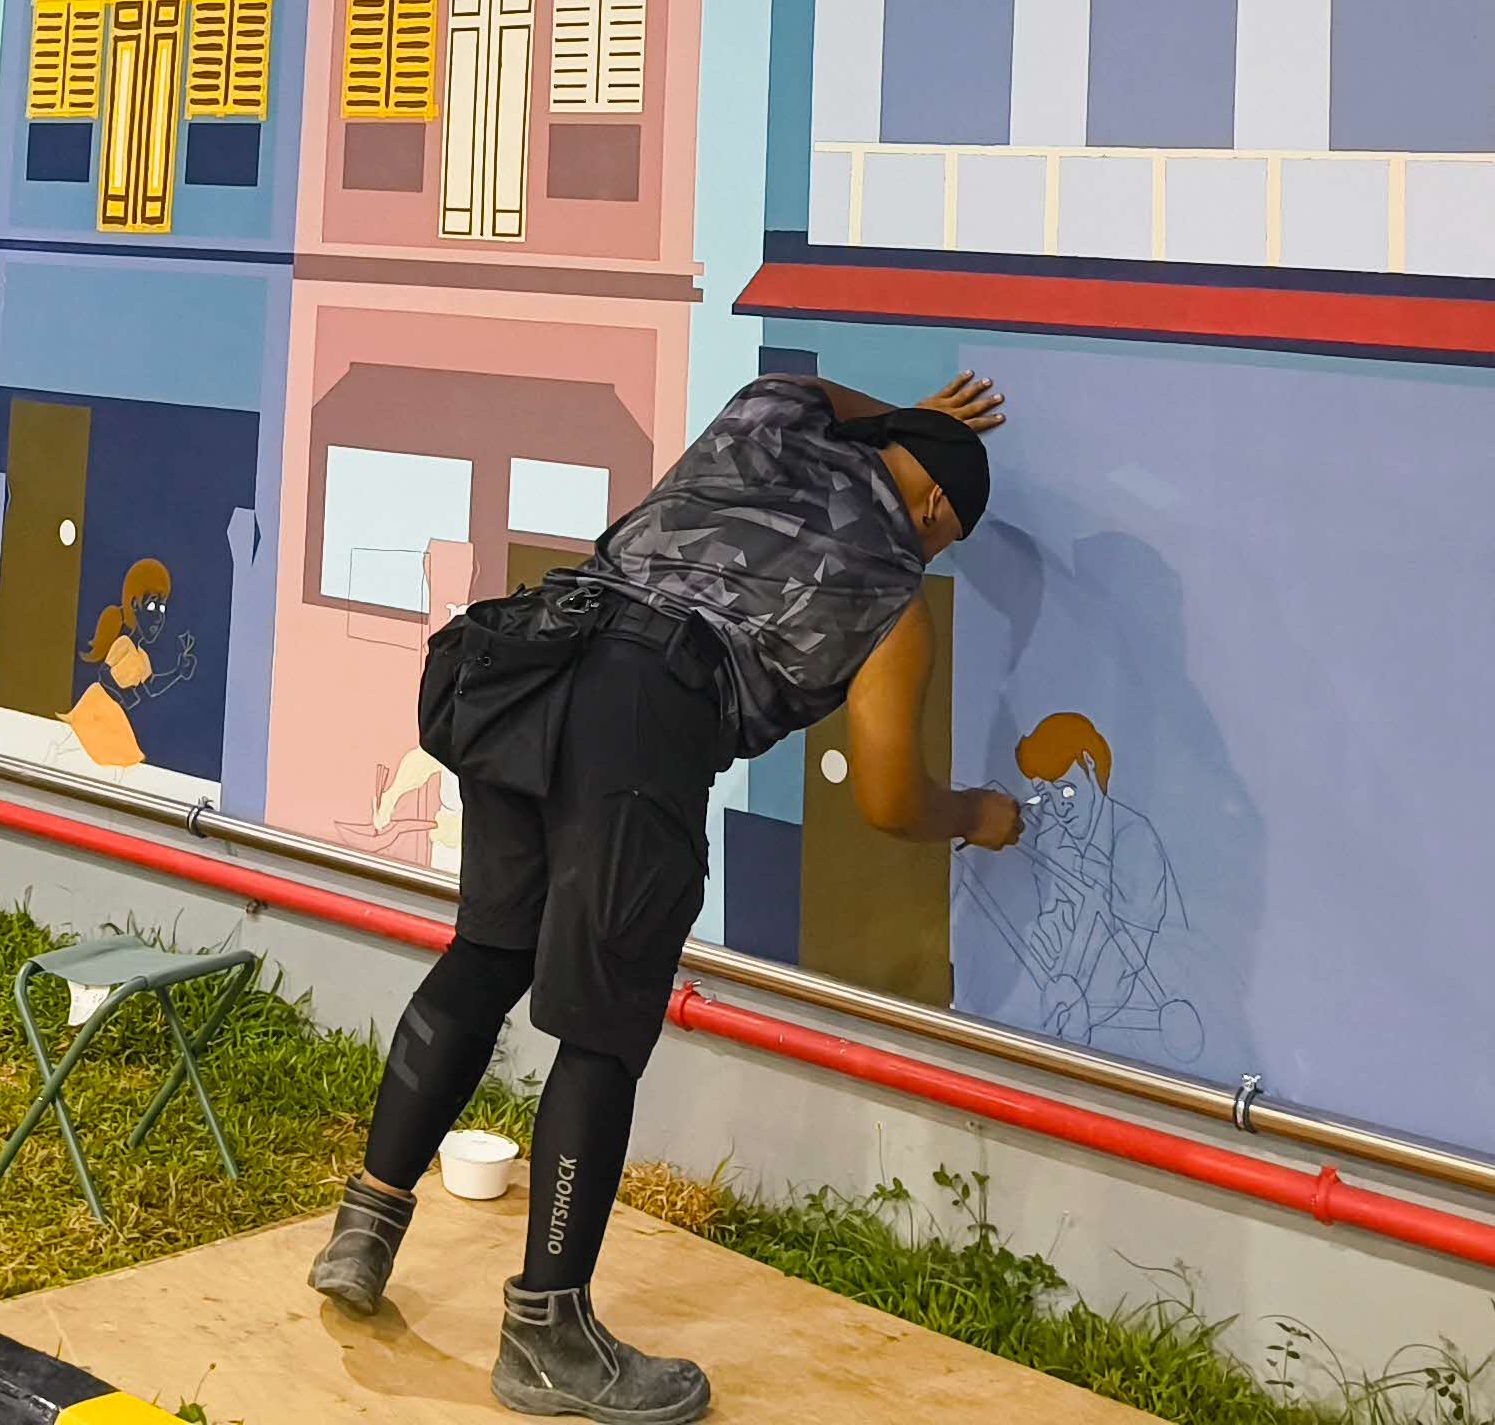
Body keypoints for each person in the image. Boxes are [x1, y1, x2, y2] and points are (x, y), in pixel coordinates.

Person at [314, 368, 1023, 1423]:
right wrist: (975, 815)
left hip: (533, 661)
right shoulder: (889, 586)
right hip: (644, 720)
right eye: (945, 538)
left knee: (490, 954)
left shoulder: (768, 423)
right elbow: (886, 798)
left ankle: (364, 1231)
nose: (933, 554)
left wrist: (909, 415)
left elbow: (804, 386)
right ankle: (547, 1335)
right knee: (600, 1029)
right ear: (932, 511)